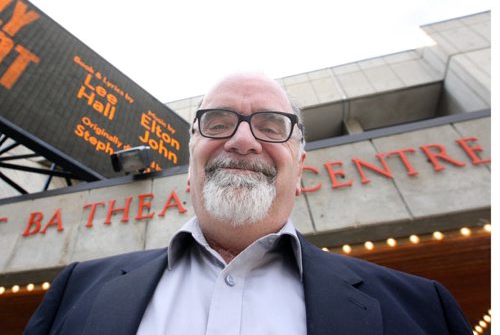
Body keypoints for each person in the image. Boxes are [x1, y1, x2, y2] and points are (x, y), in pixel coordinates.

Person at [25, 73, 472, 335]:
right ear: (190, 157)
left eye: (271, 126)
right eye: (216, 123)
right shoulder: (77, 291)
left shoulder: (423, 310)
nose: (241, 141)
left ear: (300, 165)